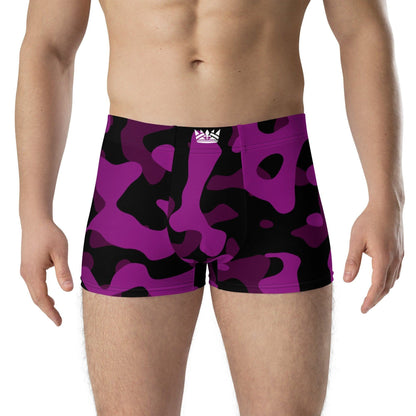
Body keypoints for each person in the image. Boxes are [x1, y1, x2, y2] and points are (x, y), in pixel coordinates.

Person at [15, 0, 405, 414]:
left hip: (272, 177)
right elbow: (49, 47)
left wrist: (387, 196)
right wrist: (34, 212)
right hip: (135, 180)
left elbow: (362, 32)